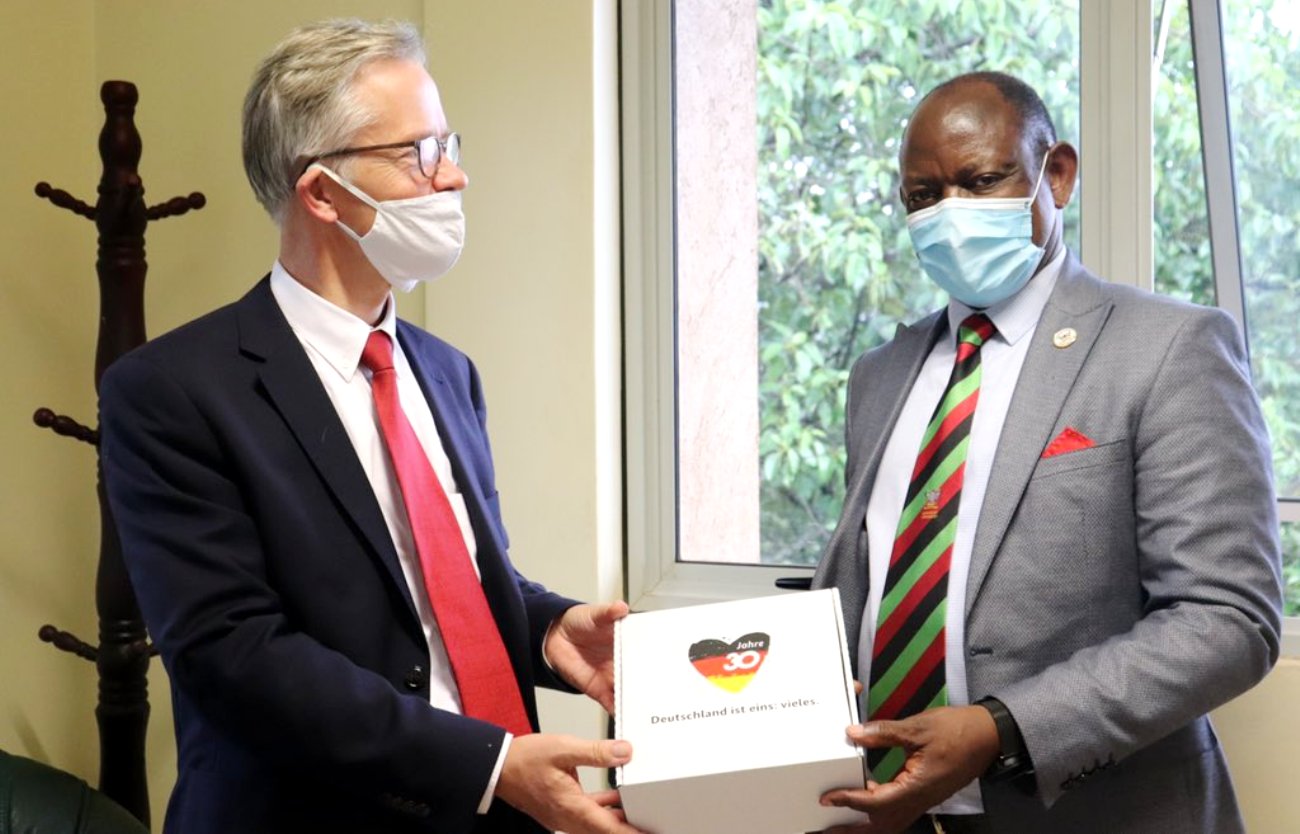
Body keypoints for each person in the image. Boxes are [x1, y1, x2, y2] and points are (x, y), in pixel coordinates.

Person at [99, 19, 642, 834]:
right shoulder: (169, 391)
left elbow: (429, 591)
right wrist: (488, 764)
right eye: (418, 153)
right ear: (322, 192)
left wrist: (550, 628)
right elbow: (236, 656)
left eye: (448, 144)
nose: (454, 176)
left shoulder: (446, 372)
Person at [812, 71, 1283, 833]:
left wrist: (1003, 728)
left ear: (1054, 175)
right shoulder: (879, 375)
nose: (951, 213)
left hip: (1096, 814)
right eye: (924, 197)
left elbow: (1228, 619)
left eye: (982, 180)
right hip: (885, 815)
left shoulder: (1168, 347)